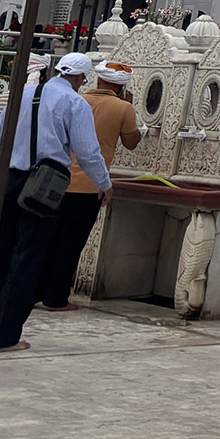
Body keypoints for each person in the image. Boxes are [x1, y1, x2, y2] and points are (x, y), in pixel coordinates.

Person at [0, 51, 112, 352]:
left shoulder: (22, 95)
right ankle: (7, 336)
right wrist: (104, 184)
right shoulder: (74, 103)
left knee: (0, 253)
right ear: (80, 78)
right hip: (43, 185)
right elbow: (88, 152)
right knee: (28, 258)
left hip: (10, 179)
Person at [40, 60, 141, 311]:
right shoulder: (123, 107)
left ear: (97, 80)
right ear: (121, 87)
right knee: (71, 243)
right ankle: (56, 298)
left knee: (48, 238)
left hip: (58, 180)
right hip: (90, 185)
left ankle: (35, 292)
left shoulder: (76, 99)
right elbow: (131, 143)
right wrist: (130, 108)